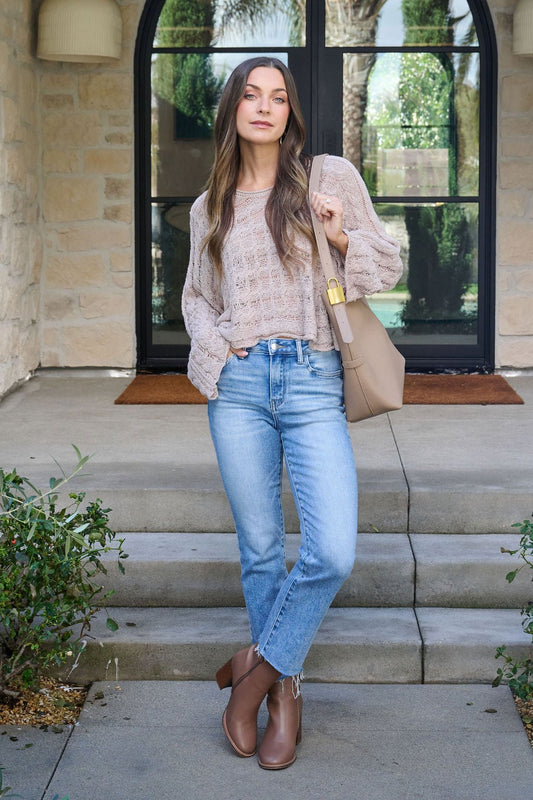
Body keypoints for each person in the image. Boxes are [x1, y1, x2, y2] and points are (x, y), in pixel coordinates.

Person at [182, 56, 403, 770]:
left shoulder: (327, 177)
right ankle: (286, 695)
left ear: (289, 112)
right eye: (251, 94)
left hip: (312, 381)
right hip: (242, 386)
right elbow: (195, 300)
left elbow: (387, 262)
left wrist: (339, 235)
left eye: (277, 96)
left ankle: (251, 677)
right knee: (258, 552)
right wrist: (220, 354)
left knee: (331, 549)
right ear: (233, 108)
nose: (264, 106)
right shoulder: (209, 204)